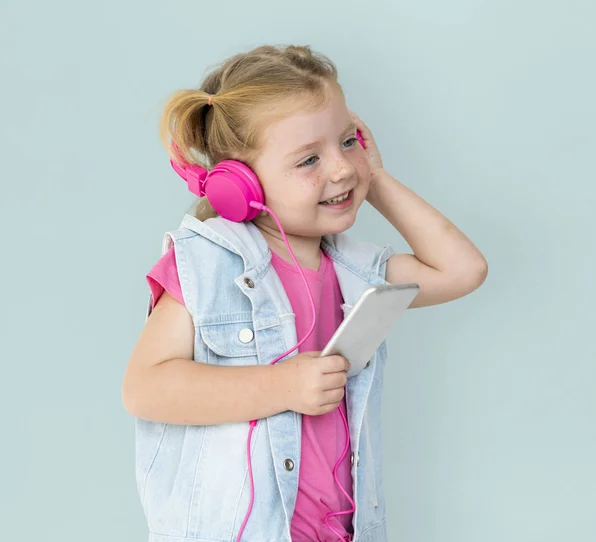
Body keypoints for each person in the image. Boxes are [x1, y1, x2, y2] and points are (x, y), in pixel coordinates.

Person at [122, 44, 488, 542]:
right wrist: (280, 387)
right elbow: (145, 389)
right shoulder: (206, 265)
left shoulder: (353, 268)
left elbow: (461, 270)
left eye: (348, 141)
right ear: (240, 183)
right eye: (309, 158)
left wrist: (375, 177)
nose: (340, 169)